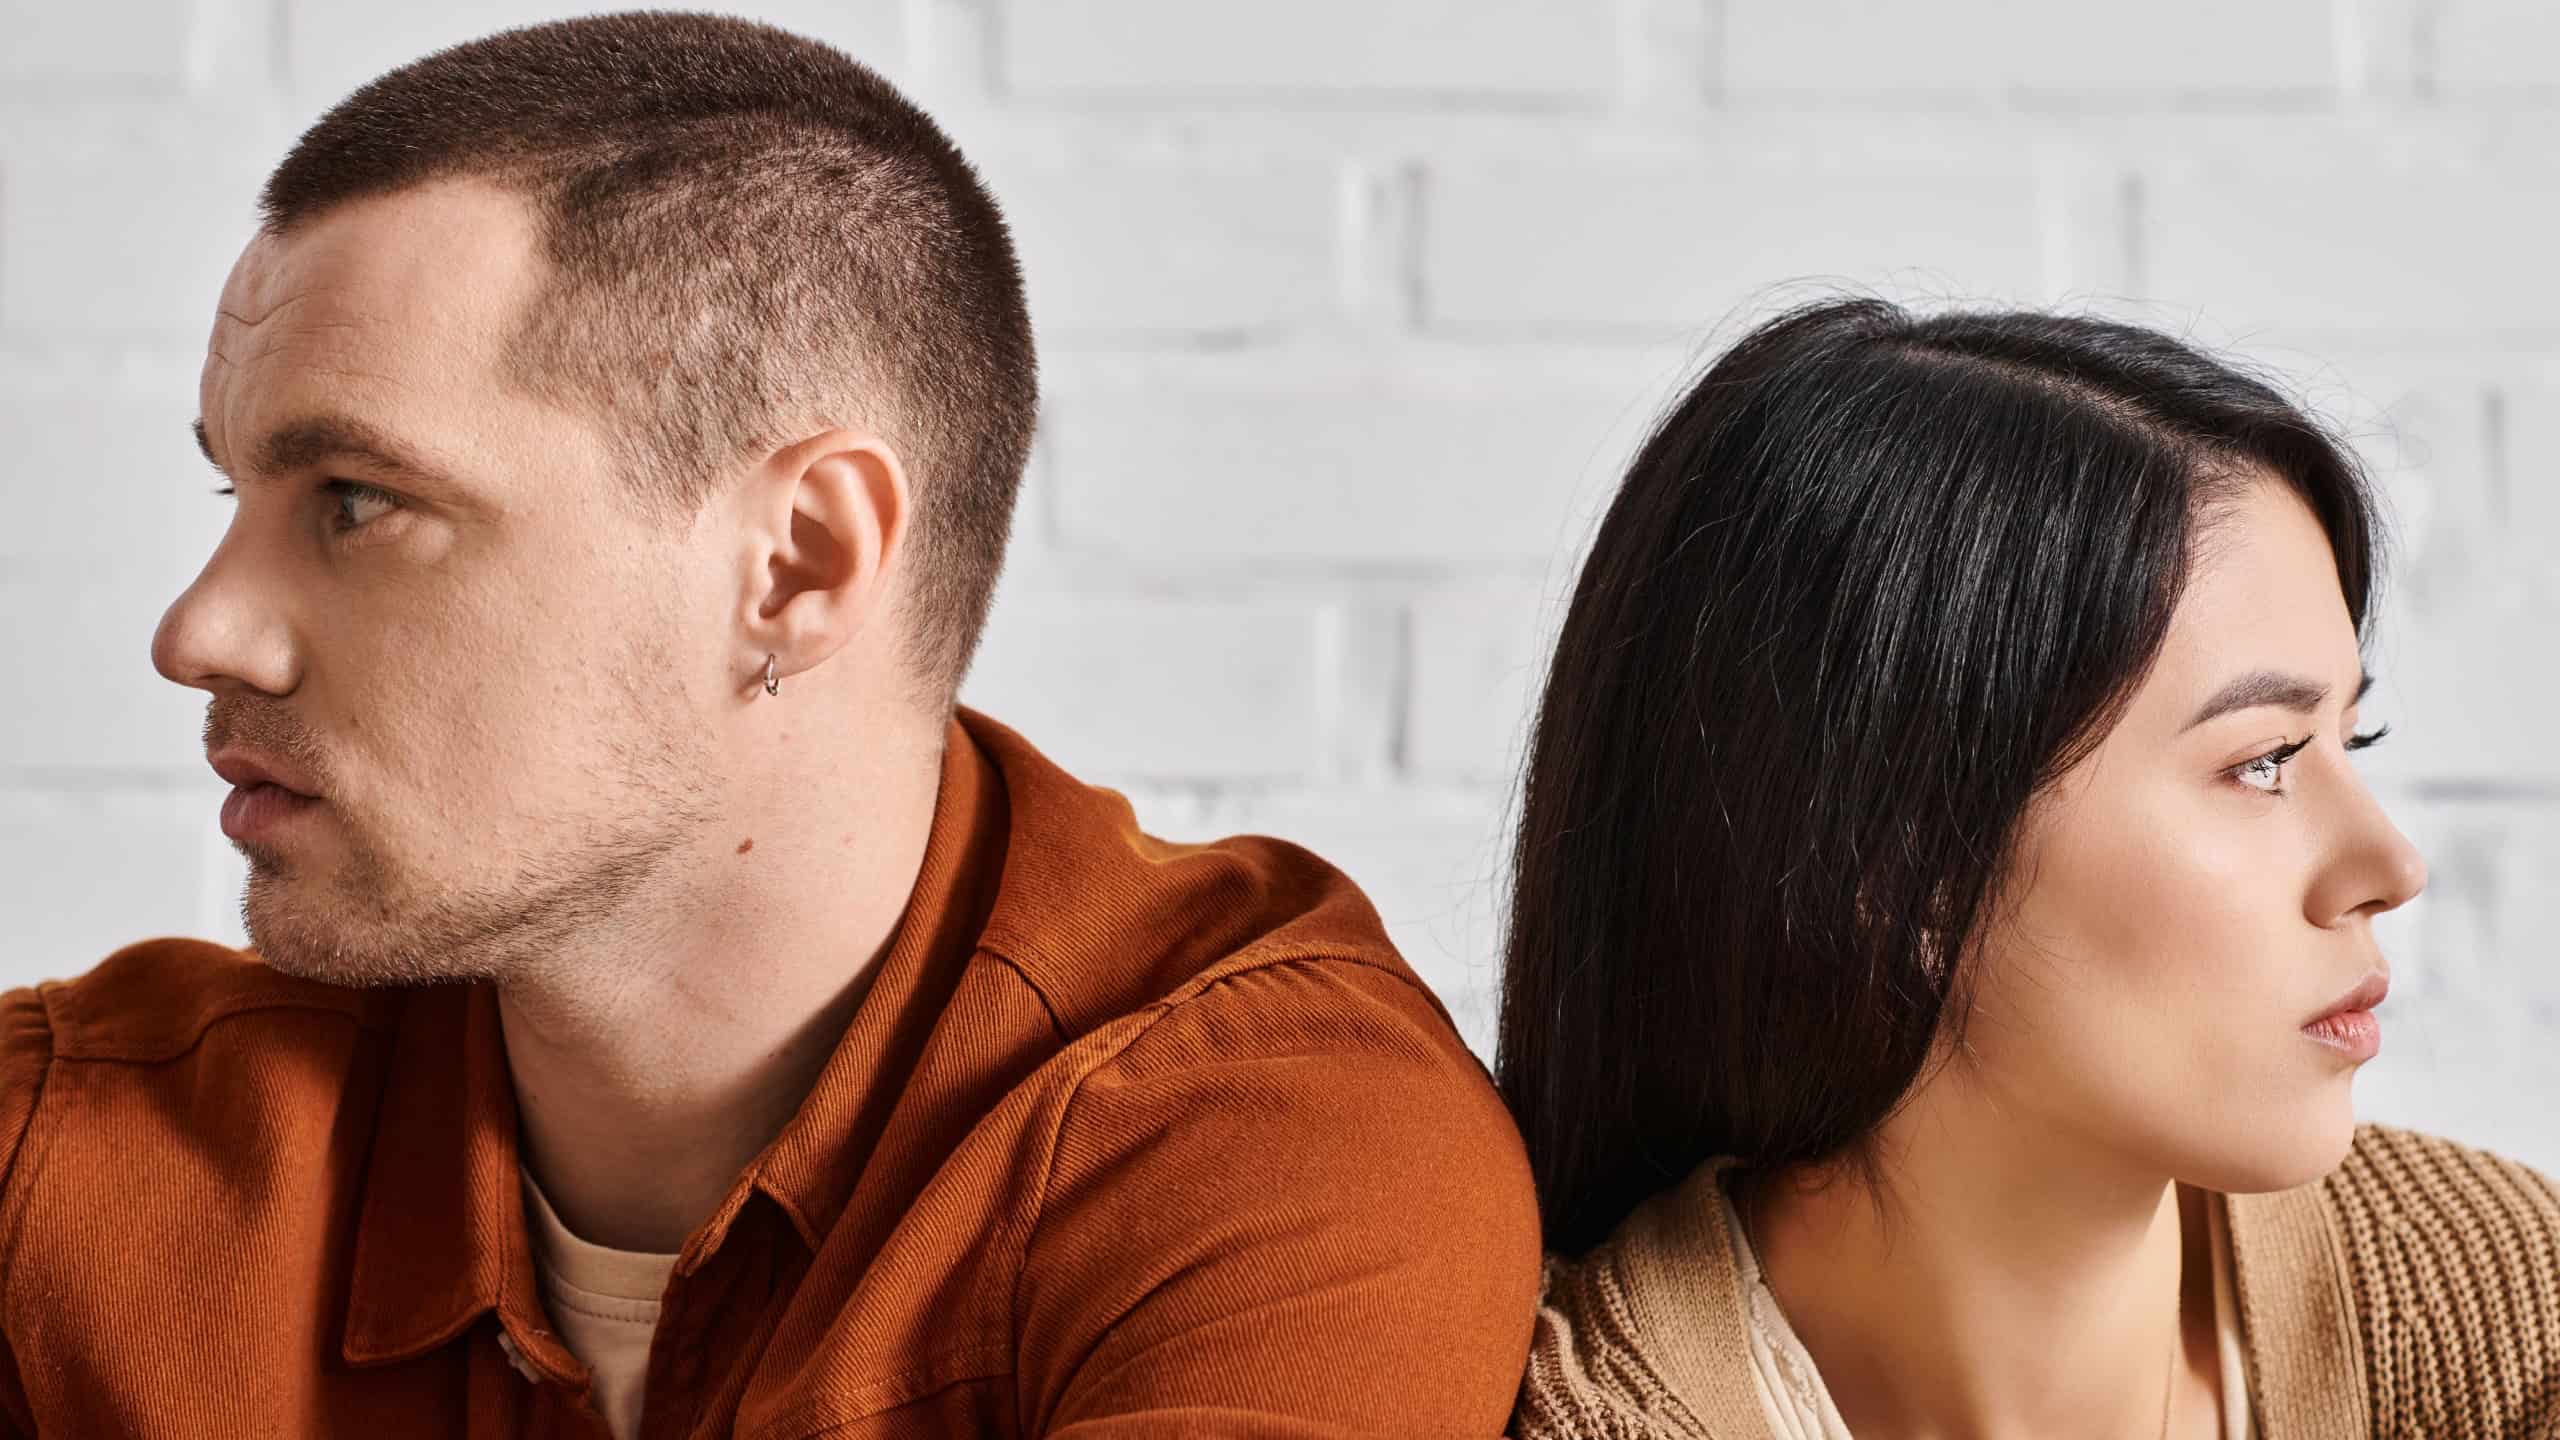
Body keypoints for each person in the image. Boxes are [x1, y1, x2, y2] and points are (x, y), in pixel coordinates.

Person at [0, 14, 1539, 1437]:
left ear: (798, 562)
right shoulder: (76, 1152)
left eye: (357, 502)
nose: (198, 631)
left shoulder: (1263, 1158)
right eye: (234, 490)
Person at [1501, 299, 2559, 1438]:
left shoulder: (2500, 1311)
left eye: (2354, 741)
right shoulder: (1586, 1412)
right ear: (1896, 863)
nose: (2391, 867)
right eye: (2261, 763)